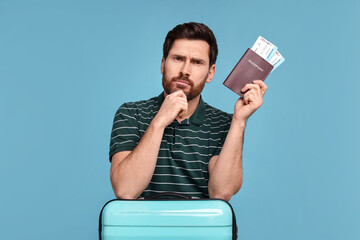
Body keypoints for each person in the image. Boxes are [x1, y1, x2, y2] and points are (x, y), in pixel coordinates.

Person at [109, 22, 267, 201]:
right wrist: (159, 121)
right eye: (178, 58)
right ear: (163, 64)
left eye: (197, 62)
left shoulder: (224, 124)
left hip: (199, 228)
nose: (185, 70)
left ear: (210, 73)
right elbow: (125, 190)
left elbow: (221, 193)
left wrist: (239, 121)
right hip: (143, 227)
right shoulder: (131, 114)